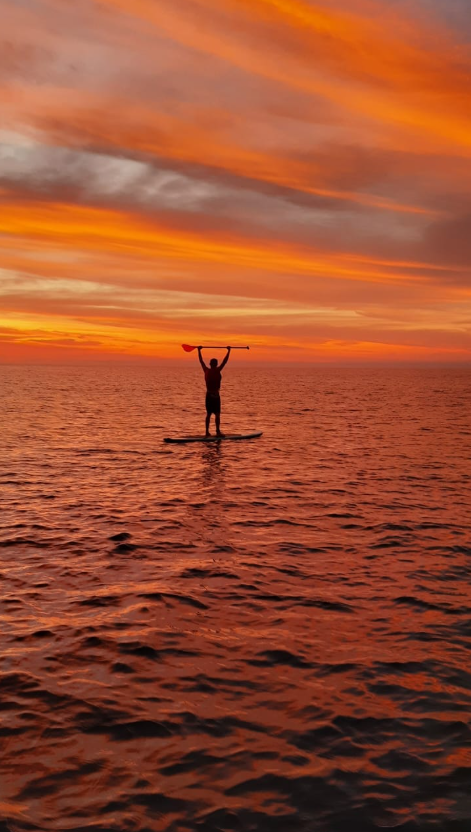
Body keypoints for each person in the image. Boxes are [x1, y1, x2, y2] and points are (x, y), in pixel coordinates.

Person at [197, 346, 231, 437]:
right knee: (217, 414)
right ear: (216, 364)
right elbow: (225, 361)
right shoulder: (217, 370)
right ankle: (217, 432)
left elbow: (201, 361)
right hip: (215, 396)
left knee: (208, 414)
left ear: (210, 364)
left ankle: (207, 432)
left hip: (208, 395)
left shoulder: (206, 371)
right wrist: (229, 351)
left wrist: (198, 351)